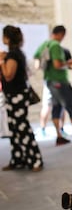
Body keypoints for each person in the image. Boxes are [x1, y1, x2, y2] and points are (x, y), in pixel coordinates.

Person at [34, 25, 72, 147]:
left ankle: (59, 136)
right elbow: (57, 64)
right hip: (60, 81)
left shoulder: (45, 44)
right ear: (61, 34)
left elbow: (36, 62)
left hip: (49, 81)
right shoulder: (55, 45)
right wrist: (68, 63)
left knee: (56, 107)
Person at [0, 25, 43, 172]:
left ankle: (35, 160)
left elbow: (8, 75)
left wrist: (1, 61)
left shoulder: (12, 55)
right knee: (14, 129)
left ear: (7, 37)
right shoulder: (16, 53)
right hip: (13, 96)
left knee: (22, 128)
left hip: (17, 96)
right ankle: (18, 159)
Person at [36, 47, 72, 137]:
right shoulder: (48, 52)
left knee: (58, 106)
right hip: (53, 82)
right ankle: (45, 129)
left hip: (55, 82)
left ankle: (59, 129)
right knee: (49, 106)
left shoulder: (61, 51)